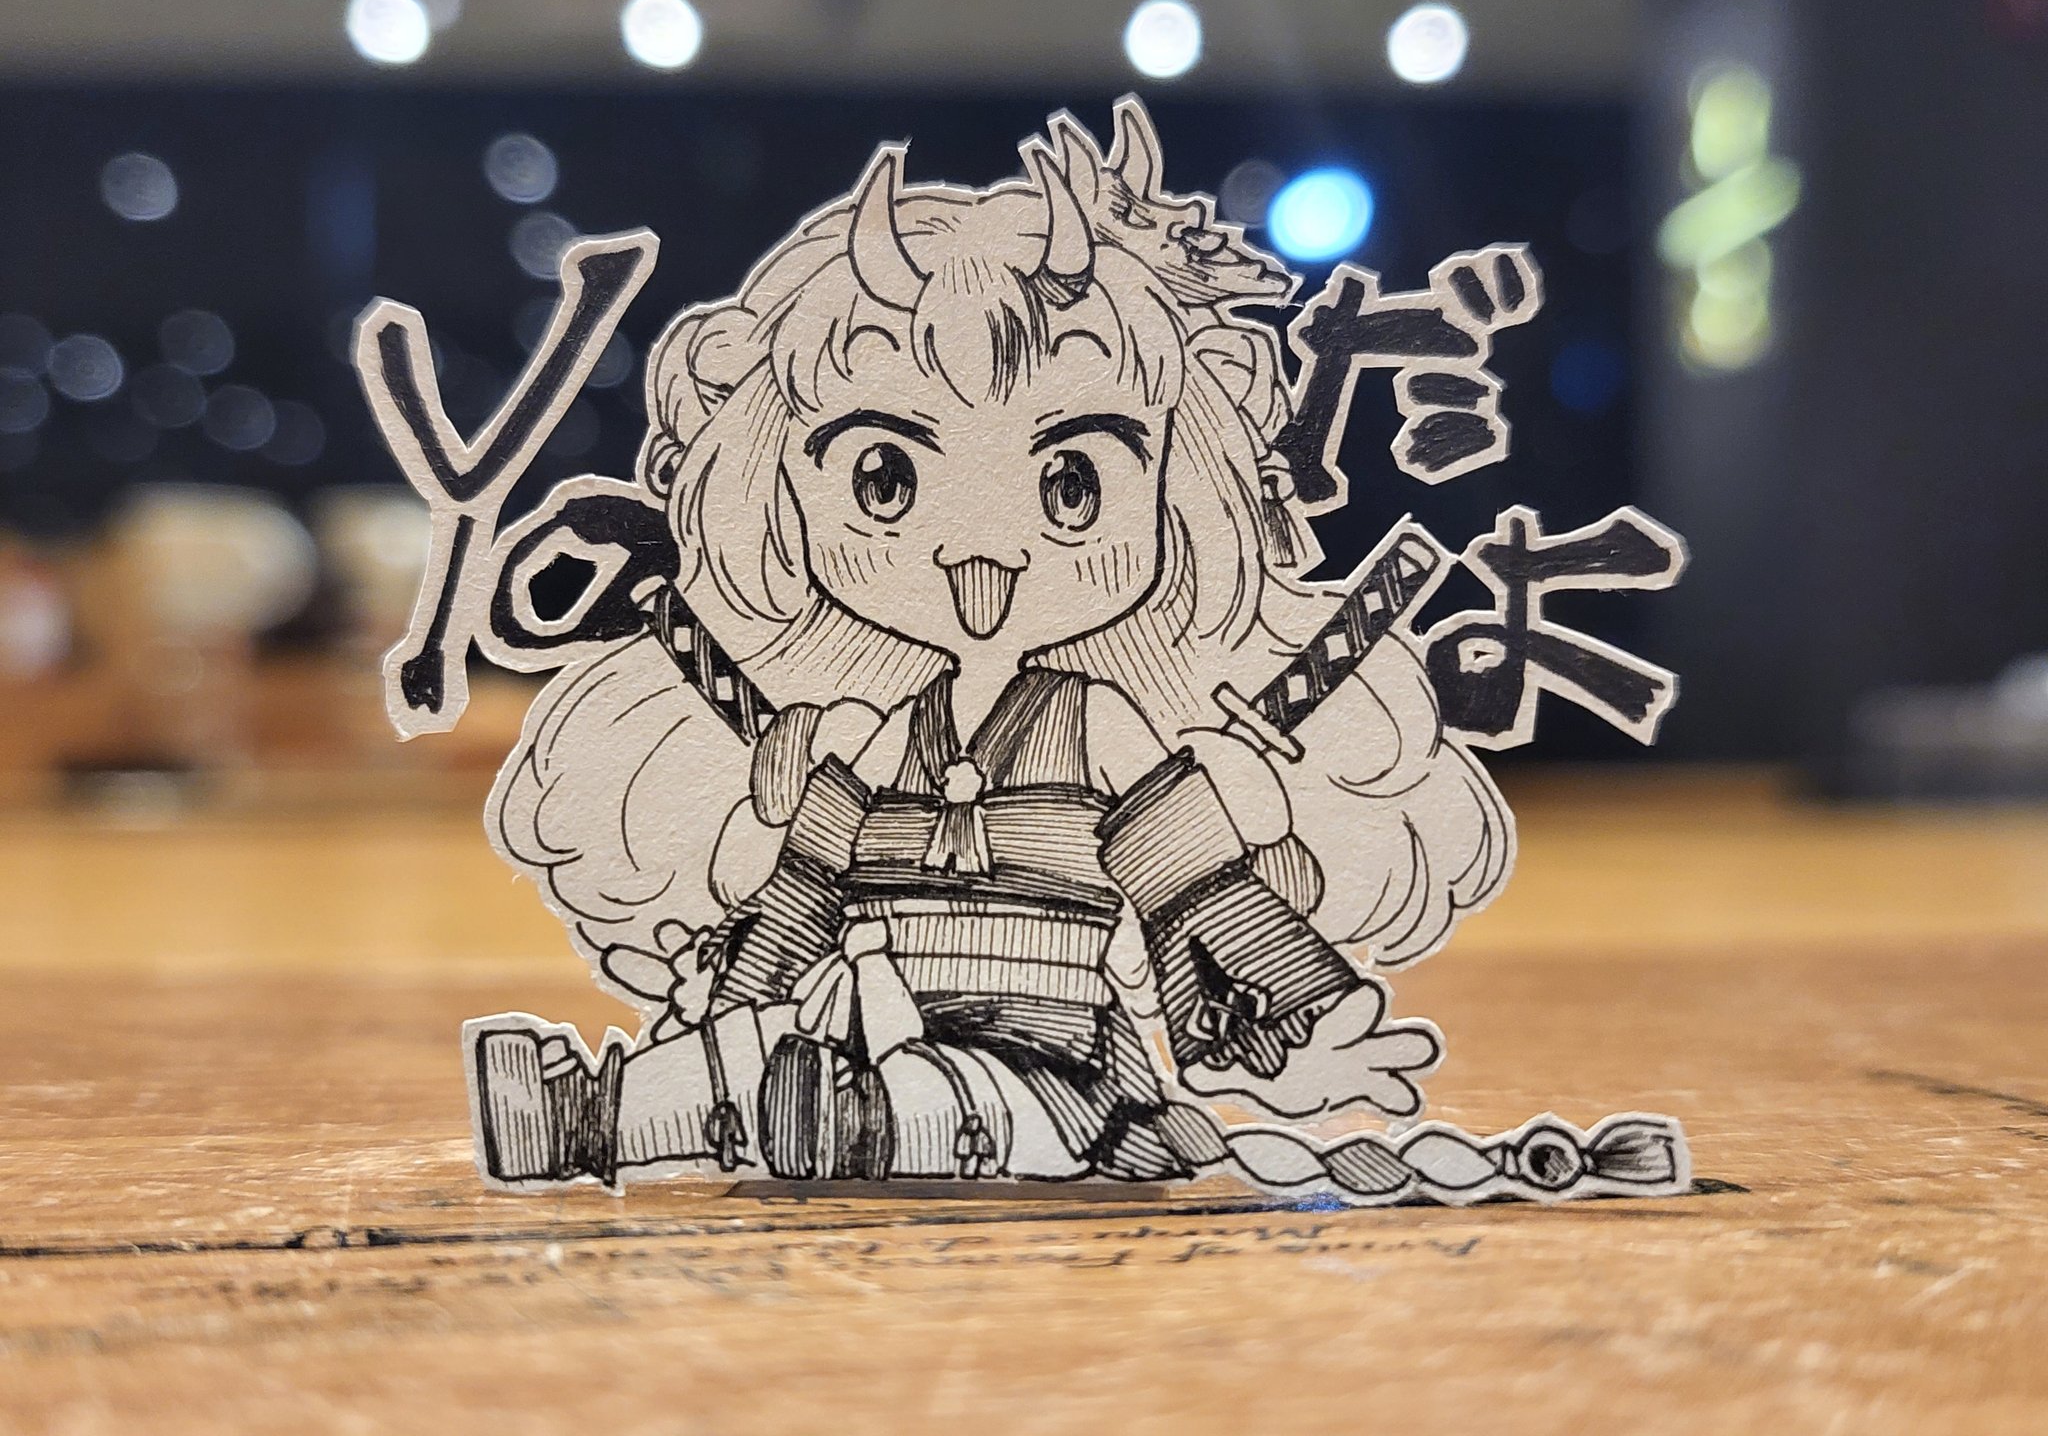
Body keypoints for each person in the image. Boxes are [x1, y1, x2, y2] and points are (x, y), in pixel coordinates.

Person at [474, 105, 1511, 1188]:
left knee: (947, 1100)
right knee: (736, 1063)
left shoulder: (1097, 726)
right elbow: (799, 902)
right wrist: (723, 1008)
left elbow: (1196, 894)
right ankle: (583, 1116)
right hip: (863, 1023)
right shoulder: (875, 739)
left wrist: (1309, 1023)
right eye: (885, 479)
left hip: (1050, 1068)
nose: (981, 549)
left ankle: (850, 1121)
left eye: (1071, 483)